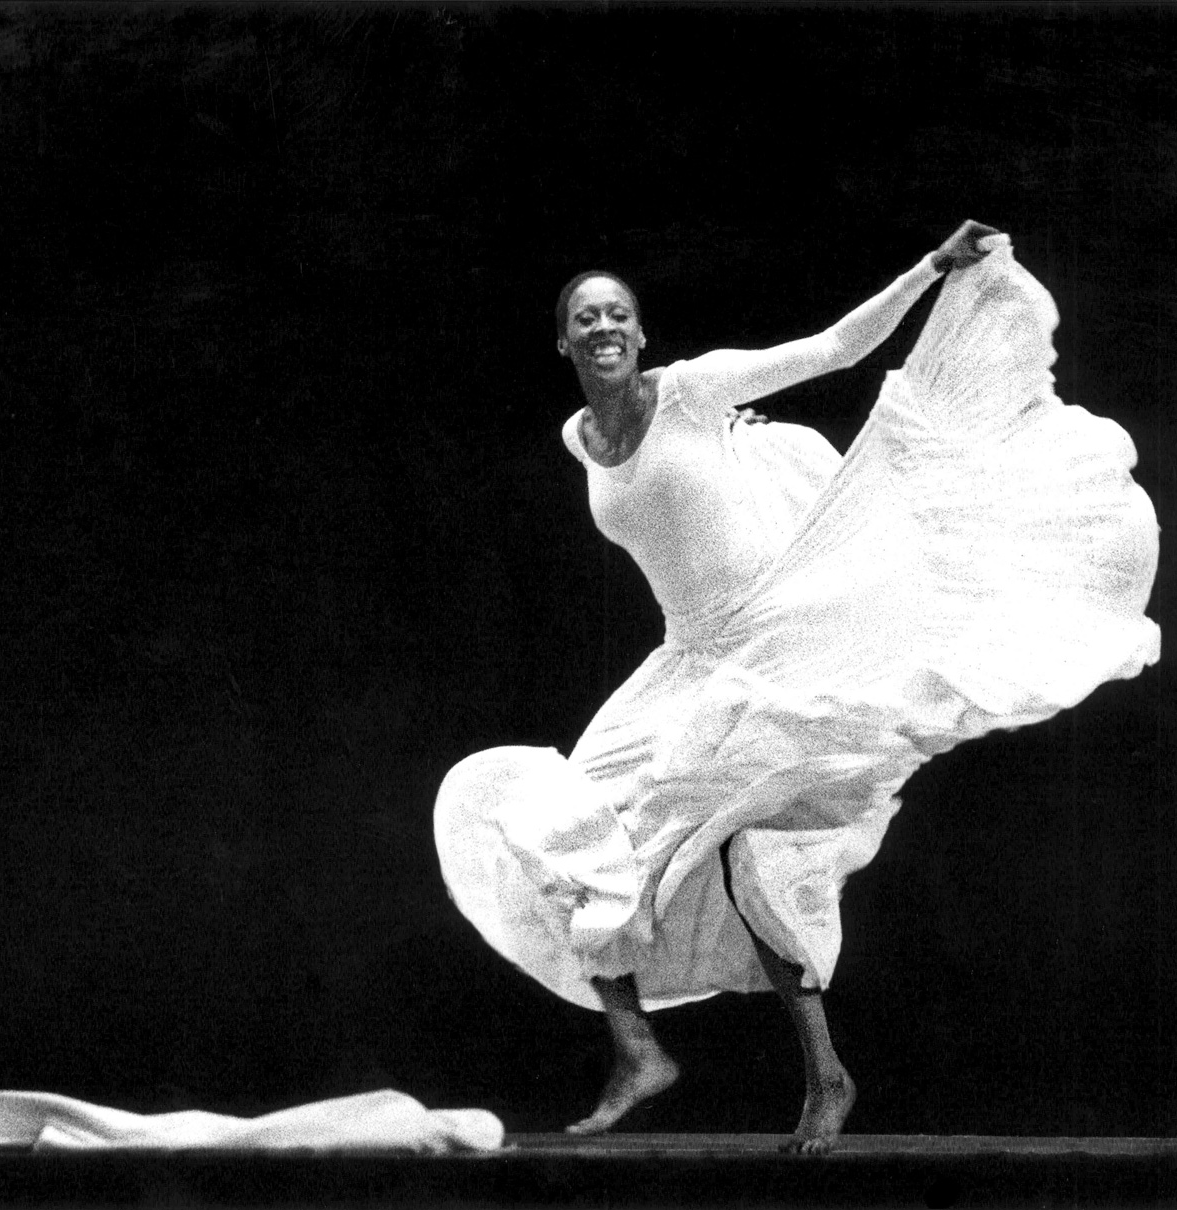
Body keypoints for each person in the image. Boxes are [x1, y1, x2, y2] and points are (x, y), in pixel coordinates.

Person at [434, 223, 1160, 1154]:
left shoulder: (690, 392)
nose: (605, 326)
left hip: (777, 641)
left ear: (641, 334)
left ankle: (827, 1077)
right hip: (685, 656)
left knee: (757, 858)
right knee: (564, 818)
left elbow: (831, 349)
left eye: (619, 313)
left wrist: (930, 269)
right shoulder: (580, 436)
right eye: (587, 318)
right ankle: (638, 1048)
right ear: (564, 343)